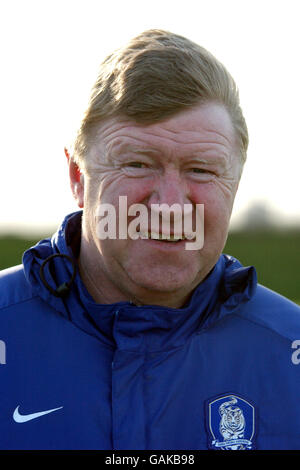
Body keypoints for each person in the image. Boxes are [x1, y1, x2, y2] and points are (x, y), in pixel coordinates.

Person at [0, 29, 300, 451]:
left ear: (234, 183)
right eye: (138, 164)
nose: (170, 205)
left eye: (201, 170)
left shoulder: (291, 353)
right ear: (78, 178)